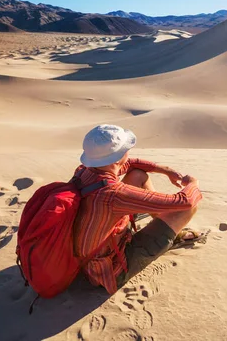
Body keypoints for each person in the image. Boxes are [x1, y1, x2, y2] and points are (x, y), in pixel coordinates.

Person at [72, 124, 203, 294]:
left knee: (138, 175)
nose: (129, 152)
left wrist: (165, 170)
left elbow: (130, 165)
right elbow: (184, 201)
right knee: (187, 208)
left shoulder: (84, 172)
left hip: (89, 258)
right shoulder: (114, 194)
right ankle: (172, 236)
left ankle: (158, 222)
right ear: (118, 157)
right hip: (108, 271)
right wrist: (193, 183)